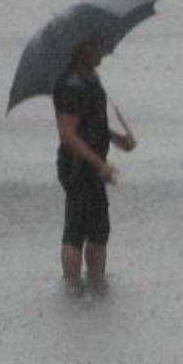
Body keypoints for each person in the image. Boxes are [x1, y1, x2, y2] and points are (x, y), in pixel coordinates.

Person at [53, 38, 136, 296]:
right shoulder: (70, 86)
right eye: (96, 46)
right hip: (77, 166)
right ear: (81, 50)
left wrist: (118, 139)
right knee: (77, 228)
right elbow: (68, 134)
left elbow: (92, 124)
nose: (102, 51)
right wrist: (100, 164)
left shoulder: (91, 80)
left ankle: (96, 283)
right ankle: (72, 286)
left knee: (99, 228)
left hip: (93, 165)